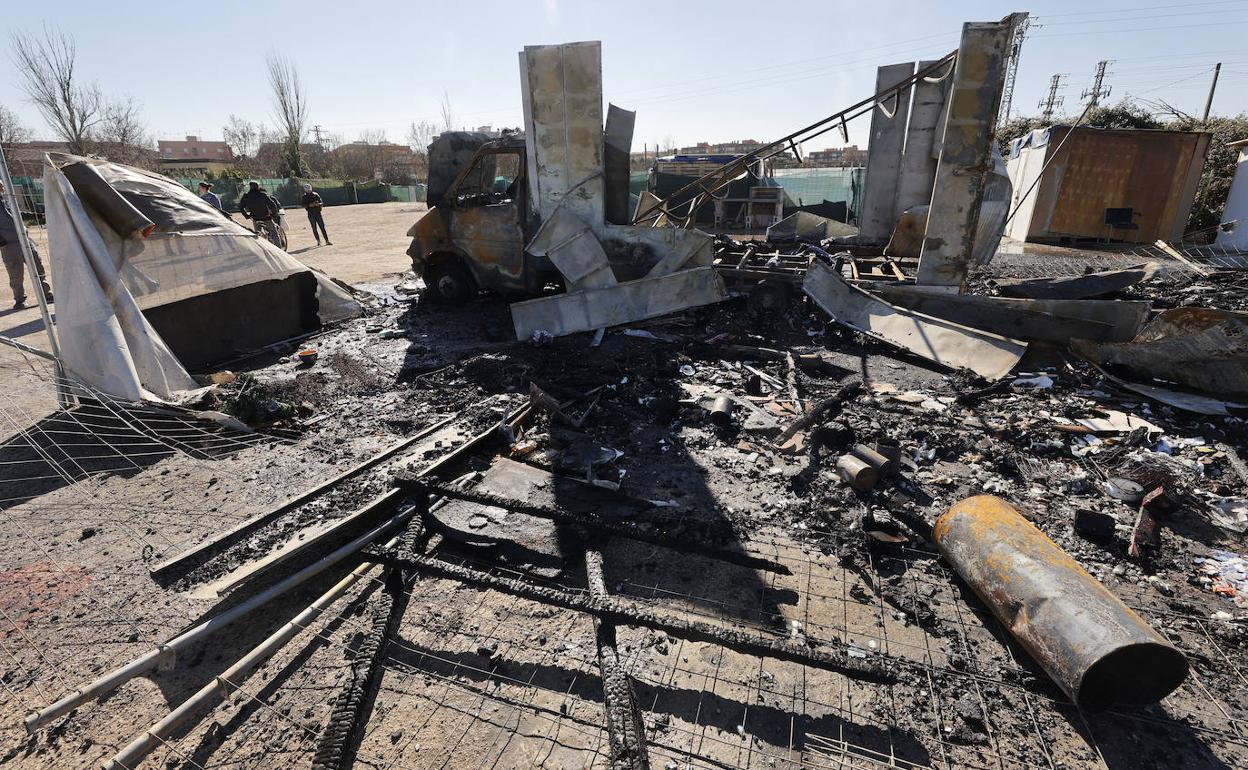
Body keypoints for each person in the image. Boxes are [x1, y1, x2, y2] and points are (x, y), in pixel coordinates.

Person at [0, 183, 53, 310]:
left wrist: (38, 215)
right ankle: (20, 300)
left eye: (2, 186)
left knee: (38, 266)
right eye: (0, 186)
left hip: (24, 239)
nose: (2, 188)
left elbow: (19, 213)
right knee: (16, 273)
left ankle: (46, 295)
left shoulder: (6, 200)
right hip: (9, 244)